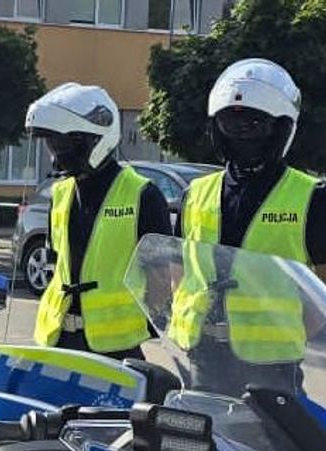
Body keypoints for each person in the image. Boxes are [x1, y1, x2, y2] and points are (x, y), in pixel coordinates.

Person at [171, 58, 326, 393]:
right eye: (231, 122)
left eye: (255, 123)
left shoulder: (311, 198)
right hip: (202, 357)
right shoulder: (195, 194)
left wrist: (283, 333)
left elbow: (323, 295)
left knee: (275, 446)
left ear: (282, 127)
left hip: (271, 368)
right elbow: (180, 273)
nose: (242, 133)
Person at [26, 83, 173, 360]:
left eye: (63, 142)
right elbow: (58, 265)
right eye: (51, 142)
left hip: (116, 348)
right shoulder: (60, 194)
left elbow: (161, 281)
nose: (56, 151)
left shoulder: (143, 194)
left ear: (95, 138)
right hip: (56, 339)